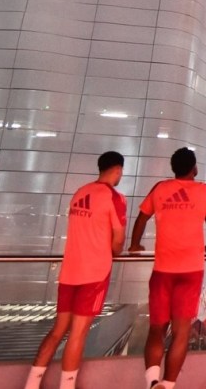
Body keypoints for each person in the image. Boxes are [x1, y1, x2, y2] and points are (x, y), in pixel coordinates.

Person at [25, 151, 127, 389]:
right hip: (95, 273)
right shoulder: (114, 197)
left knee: (58, 330)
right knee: (78, 333)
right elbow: (118, 239)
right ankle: (67, 386)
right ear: (118, 170)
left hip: (70, 271)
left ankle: (31, 383)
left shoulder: (80, 192)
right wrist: (115, 251)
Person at [128, 148, 206, 389]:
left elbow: (142, 217)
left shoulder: (160, 189)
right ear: (194, 168)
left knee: (157, 328)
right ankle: (167, 385)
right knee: (181, 332)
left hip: (163, 270)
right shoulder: (205, 191)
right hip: (191, 271)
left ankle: (152, 381)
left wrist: (135, 244)